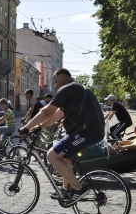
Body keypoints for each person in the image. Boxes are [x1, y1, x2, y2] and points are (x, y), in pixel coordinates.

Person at [20, 68, 104, 206]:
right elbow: (58, 114)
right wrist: (40, 126)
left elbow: (47, 111)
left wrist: (26, 127)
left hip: (87, 132)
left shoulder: (67, 89)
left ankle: (79, 188)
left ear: (63, 79)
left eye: (56, 81)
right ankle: (66, 191)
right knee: (64, 156)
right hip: (87, 131)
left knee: (51, 155)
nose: (55, 85)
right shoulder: (76, 89)